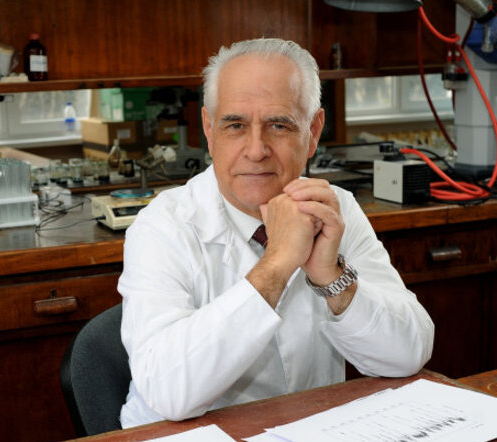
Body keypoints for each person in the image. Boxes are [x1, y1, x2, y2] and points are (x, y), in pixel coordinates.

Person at [118, 38, 434, 428]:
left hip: (309, 429)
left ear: (313, 131)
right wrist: (278, 264)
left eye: (279, 125)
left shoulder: (334, 208)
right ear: (209, 130)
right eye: (235, 125)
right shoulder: (162, 226)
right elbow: (169, 395)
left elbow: (408, 354)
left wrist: (331, 277)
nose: (256, 150)